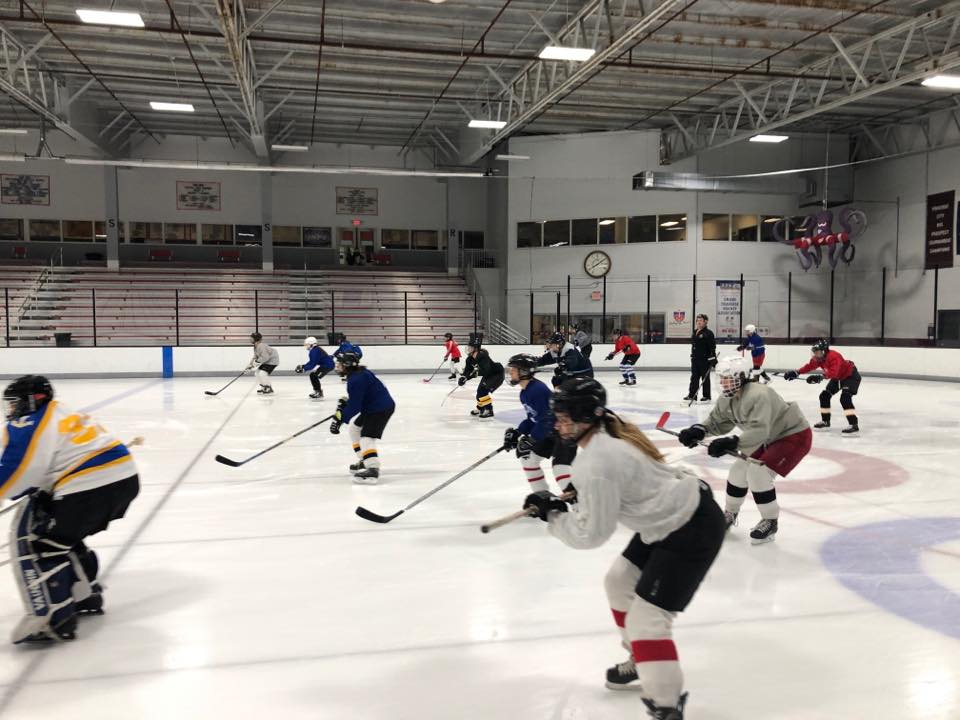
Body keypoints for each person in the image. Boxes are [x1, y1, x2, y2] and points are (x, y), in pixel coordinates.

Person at [523, 378, 725, 720]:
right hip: (668, 517)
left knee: (648, 620)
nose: (558, 423)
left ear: (587, 417)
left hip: (689, 526)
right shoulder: (608, 434)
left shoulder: (597, 462)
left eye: (564, 416)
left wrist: (553, 517)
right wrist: (579, 497)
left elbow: (591, 535)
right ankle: (641, 659)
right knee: (618, 581)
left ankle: (665, 706)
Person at [0, 375, 140, 643]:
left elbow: (20, 469)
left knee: (39, 544)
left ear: (34, 400)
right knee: (61, 538)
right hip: (124, 479)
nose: (12, 410)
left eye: (15, 404)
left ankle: (53, 618)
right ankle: (85, 594)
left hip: (91, 486)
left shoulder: (31, 421)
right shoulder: (61, 411)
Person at [676, 355, 812, 544]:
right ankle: (730, 514)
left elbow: (760, 430)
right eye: (721, 377)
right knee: (738, 471)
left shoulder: (759, 394)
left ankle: (770, 520)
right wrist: (699, 430)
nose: (722, 382)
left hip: (792, 435)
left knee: (758, 472)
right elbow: (717, 421)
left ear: (741, 377)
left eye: (727, 377)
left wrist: (731, 442)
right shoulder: (728, 397)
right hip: (767, 437)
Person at [501, 354, 574, 493]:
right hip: (549, 433)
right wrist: (518, 432)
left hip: (563, 434)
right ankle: (542, 495)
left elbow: (548, 419)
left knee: (560, 469)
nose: (510, 372)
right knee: (528, 459)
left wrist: (532, 438)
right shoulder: (525, 392)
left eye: (513, 369)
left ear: (524, 372)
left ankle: (578, 503)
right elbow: (533, 419)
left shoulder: (537, 390)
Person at [330, 352, 395, 484]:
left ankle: (372, 469)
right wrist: (345, 406)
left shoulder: (356, 379)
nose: (337, 366)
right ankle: (365, 459)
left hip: (380, 408)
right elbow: (358, 398)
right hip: (373, 406)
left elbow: (355, 405)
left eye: (339, 364)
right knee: (354, 429)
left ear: (347, 365)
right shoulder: (358, 374)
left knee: (366, 437)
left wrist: (340, 419)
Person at [783, 339, 861, 434]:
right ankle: (825, 421)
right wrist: (796, 372)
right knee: (824, 396)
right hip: (838, 378)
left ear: (824, 351)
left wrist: (820, 377)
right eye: (814, 352)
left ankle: (853, 424)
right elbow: (809, 366)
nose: (815, 354)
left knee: (845, 398)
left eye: (817, 352)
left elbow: (833, 372)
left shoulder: (834, 356)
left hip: (850, 376)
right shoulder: (819, 359)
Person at [458, 333, 504, 419]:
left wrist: (472, 375)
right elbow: (467, 370)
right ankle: (481, 408)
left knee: (482, 392)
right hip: (488, 375)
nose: (468, 349)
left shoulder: (482, 356)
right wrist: (463, 377)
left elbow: (486, 370)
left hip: (496, 374)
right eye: (468, 347)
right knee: (479, 392)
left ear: (475, 348)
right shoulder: (469, 359)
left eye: (470, 347)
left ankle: (489, 410)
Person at [684, 314, 716, 403]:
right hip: (695, 359)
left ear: (705, 322)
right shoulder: (695, 332)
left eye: (701, 320)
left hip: (704, 360)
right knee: (694, 377)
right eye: (697, 320)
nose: (698, 322)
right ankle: (692, 396)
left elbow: (712, 347)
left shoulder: (708, 333)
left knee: (705, 378)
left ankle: (707, 396)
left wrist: (712, 359)